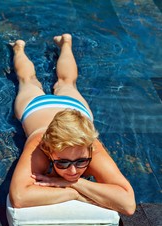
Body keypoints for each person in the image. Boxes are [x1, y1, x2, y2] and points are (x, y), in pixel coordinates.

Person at [9, 34, 136, 215]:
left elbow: (128, 205)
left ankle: (66, 43)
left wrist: (74, 184)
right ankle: (18, 48)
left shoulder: (91, 145)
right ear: (49, 150)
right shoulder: (39, 144)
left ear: (89, 149)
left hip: (74, 110)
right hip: (36, 107)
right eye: (62, 163)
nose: (73, 170)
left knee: (35, 81)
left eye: (82, 161)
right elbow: (19, 197)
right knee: (45, 81)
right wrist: (74, 194)